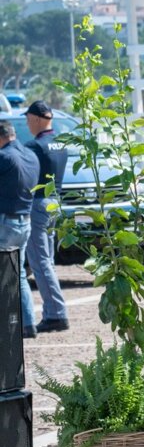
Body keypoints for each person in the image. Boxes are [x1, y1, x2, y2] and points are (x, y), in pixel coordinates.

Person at [22, 100, 69, 334]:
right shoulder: (61, 143)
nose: (27, 123)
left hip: (38, 204)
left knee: (40, 263)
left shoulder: (35, 146)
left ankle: (56, 314)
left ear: (38, 118)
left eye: (28, 119)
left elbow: (25, 175)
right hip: (55, 203)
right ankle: (54, 312)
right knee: (47, 261)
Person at [0, 120, 38, 339]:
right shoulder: (30, 156)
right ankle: (28, 324)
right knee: (19, 274)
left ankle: (9, 324)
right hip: (25, 221)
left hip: (4, 221)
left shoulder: (4, 157)